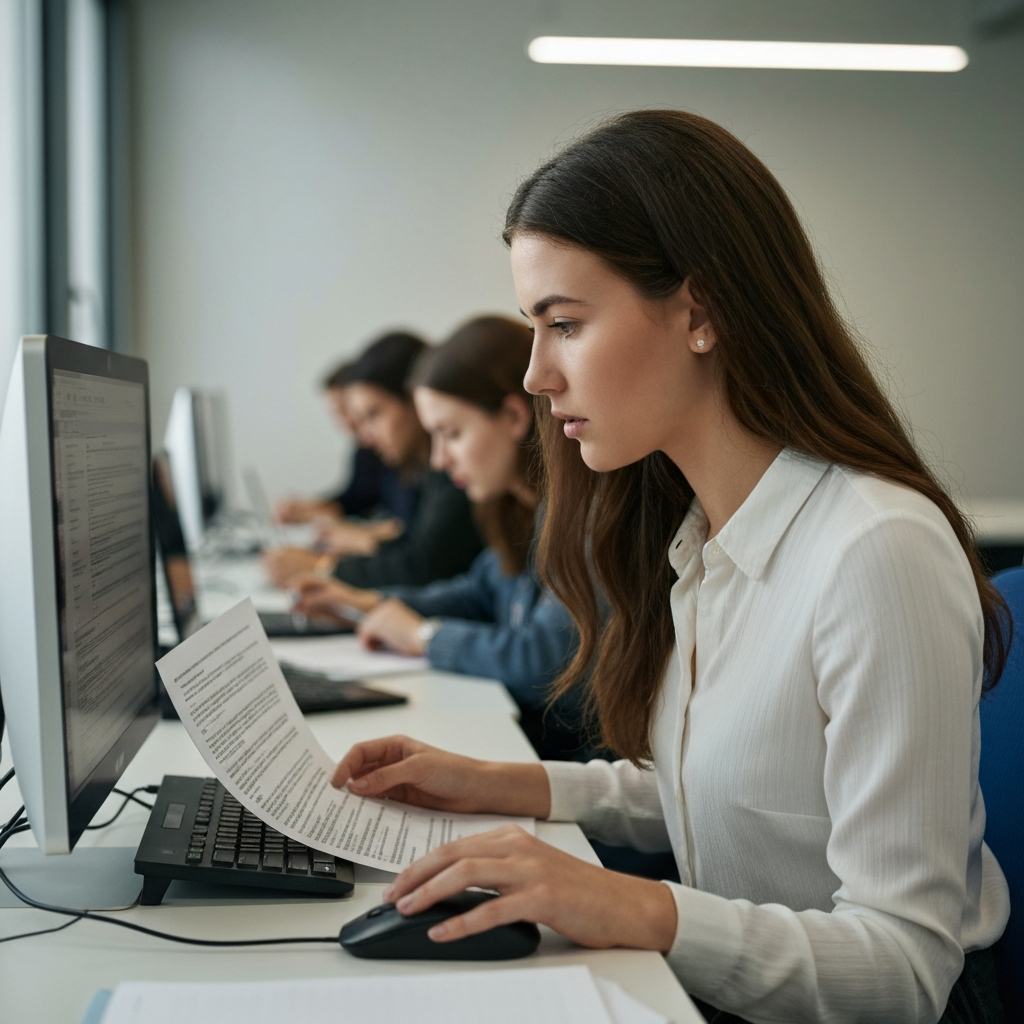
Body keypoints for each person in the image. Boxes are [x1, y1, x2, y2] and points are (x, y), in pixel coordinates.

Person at [326, 111, 1011, 1024]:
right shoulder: (701, 533)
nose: (534, 376)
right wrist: (499, 783)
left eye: (564, 324)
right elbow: (731, 798)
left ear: (700, 312)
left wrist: (635, 908)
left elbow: (903, 968)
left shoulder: (874, 550)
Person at [291, 315, 588, 760]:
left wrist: (425, 636)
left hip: (570, 765)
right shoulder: (514, 507)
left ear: (512, 416)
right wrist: (364, 604)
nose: (440, 460)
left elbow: (546, 660)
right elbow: (478, 591)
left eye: (451, 434)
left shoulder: (579, 514)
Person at [264, 332, 483, 589]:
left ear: (415, 401)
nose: (365, 437)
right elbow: (413, 543)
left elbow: (424, 563)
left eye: (374, 415)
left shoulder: (451, 469)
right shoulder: (421, 467)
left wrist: (322, 566)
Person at [275, 341, 421, 536]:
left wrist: (354, 537)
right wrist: (310, 509)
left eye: (372, 414)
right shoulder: (372, 451)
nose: (348, 422)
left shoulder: (403, 453)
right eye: (337, 414)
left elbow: (410, 534)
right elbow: (354, 499)